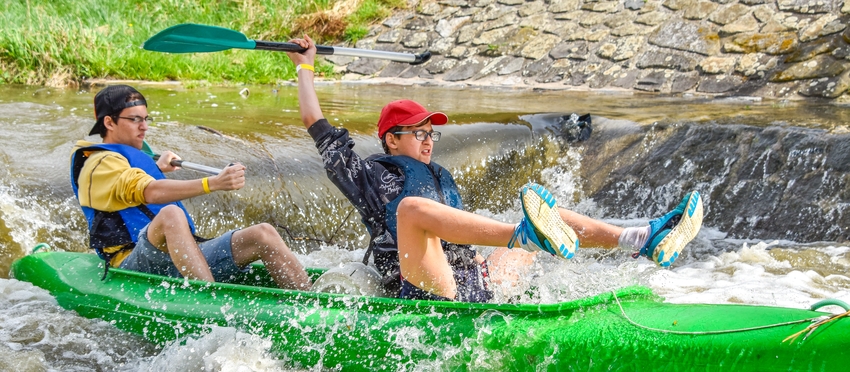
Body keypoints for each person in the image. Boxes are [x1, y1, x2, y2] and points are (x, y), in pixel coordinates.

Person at [286, 35, 703, 302]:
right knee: (412, 209)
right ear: (391, 139)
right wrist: (305, 67)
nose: (429, 140)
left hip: (470, 282)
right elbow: (315, 124)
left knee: (538, 222)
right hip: (422, 287)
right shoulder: (364, 174)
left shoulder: (439, 176)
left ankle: (639, 236)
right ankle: (526, 235)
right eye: (418, 133)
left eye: (432, 133)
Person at [70, 85, 310, 290]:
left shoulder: (128, 156)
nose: (144, 127)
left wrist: (158, 167)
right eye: (134, 119)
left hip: (176, 255)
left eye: (145, 119)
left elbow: (132, 180)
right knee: (171, 215)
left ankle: (312, 304)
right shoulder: (99, 164)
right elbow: (148, 192)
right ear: (109, 122)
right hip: (132, 263)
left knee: (263, 234)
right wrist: (213, 183)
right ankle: (210, 305)